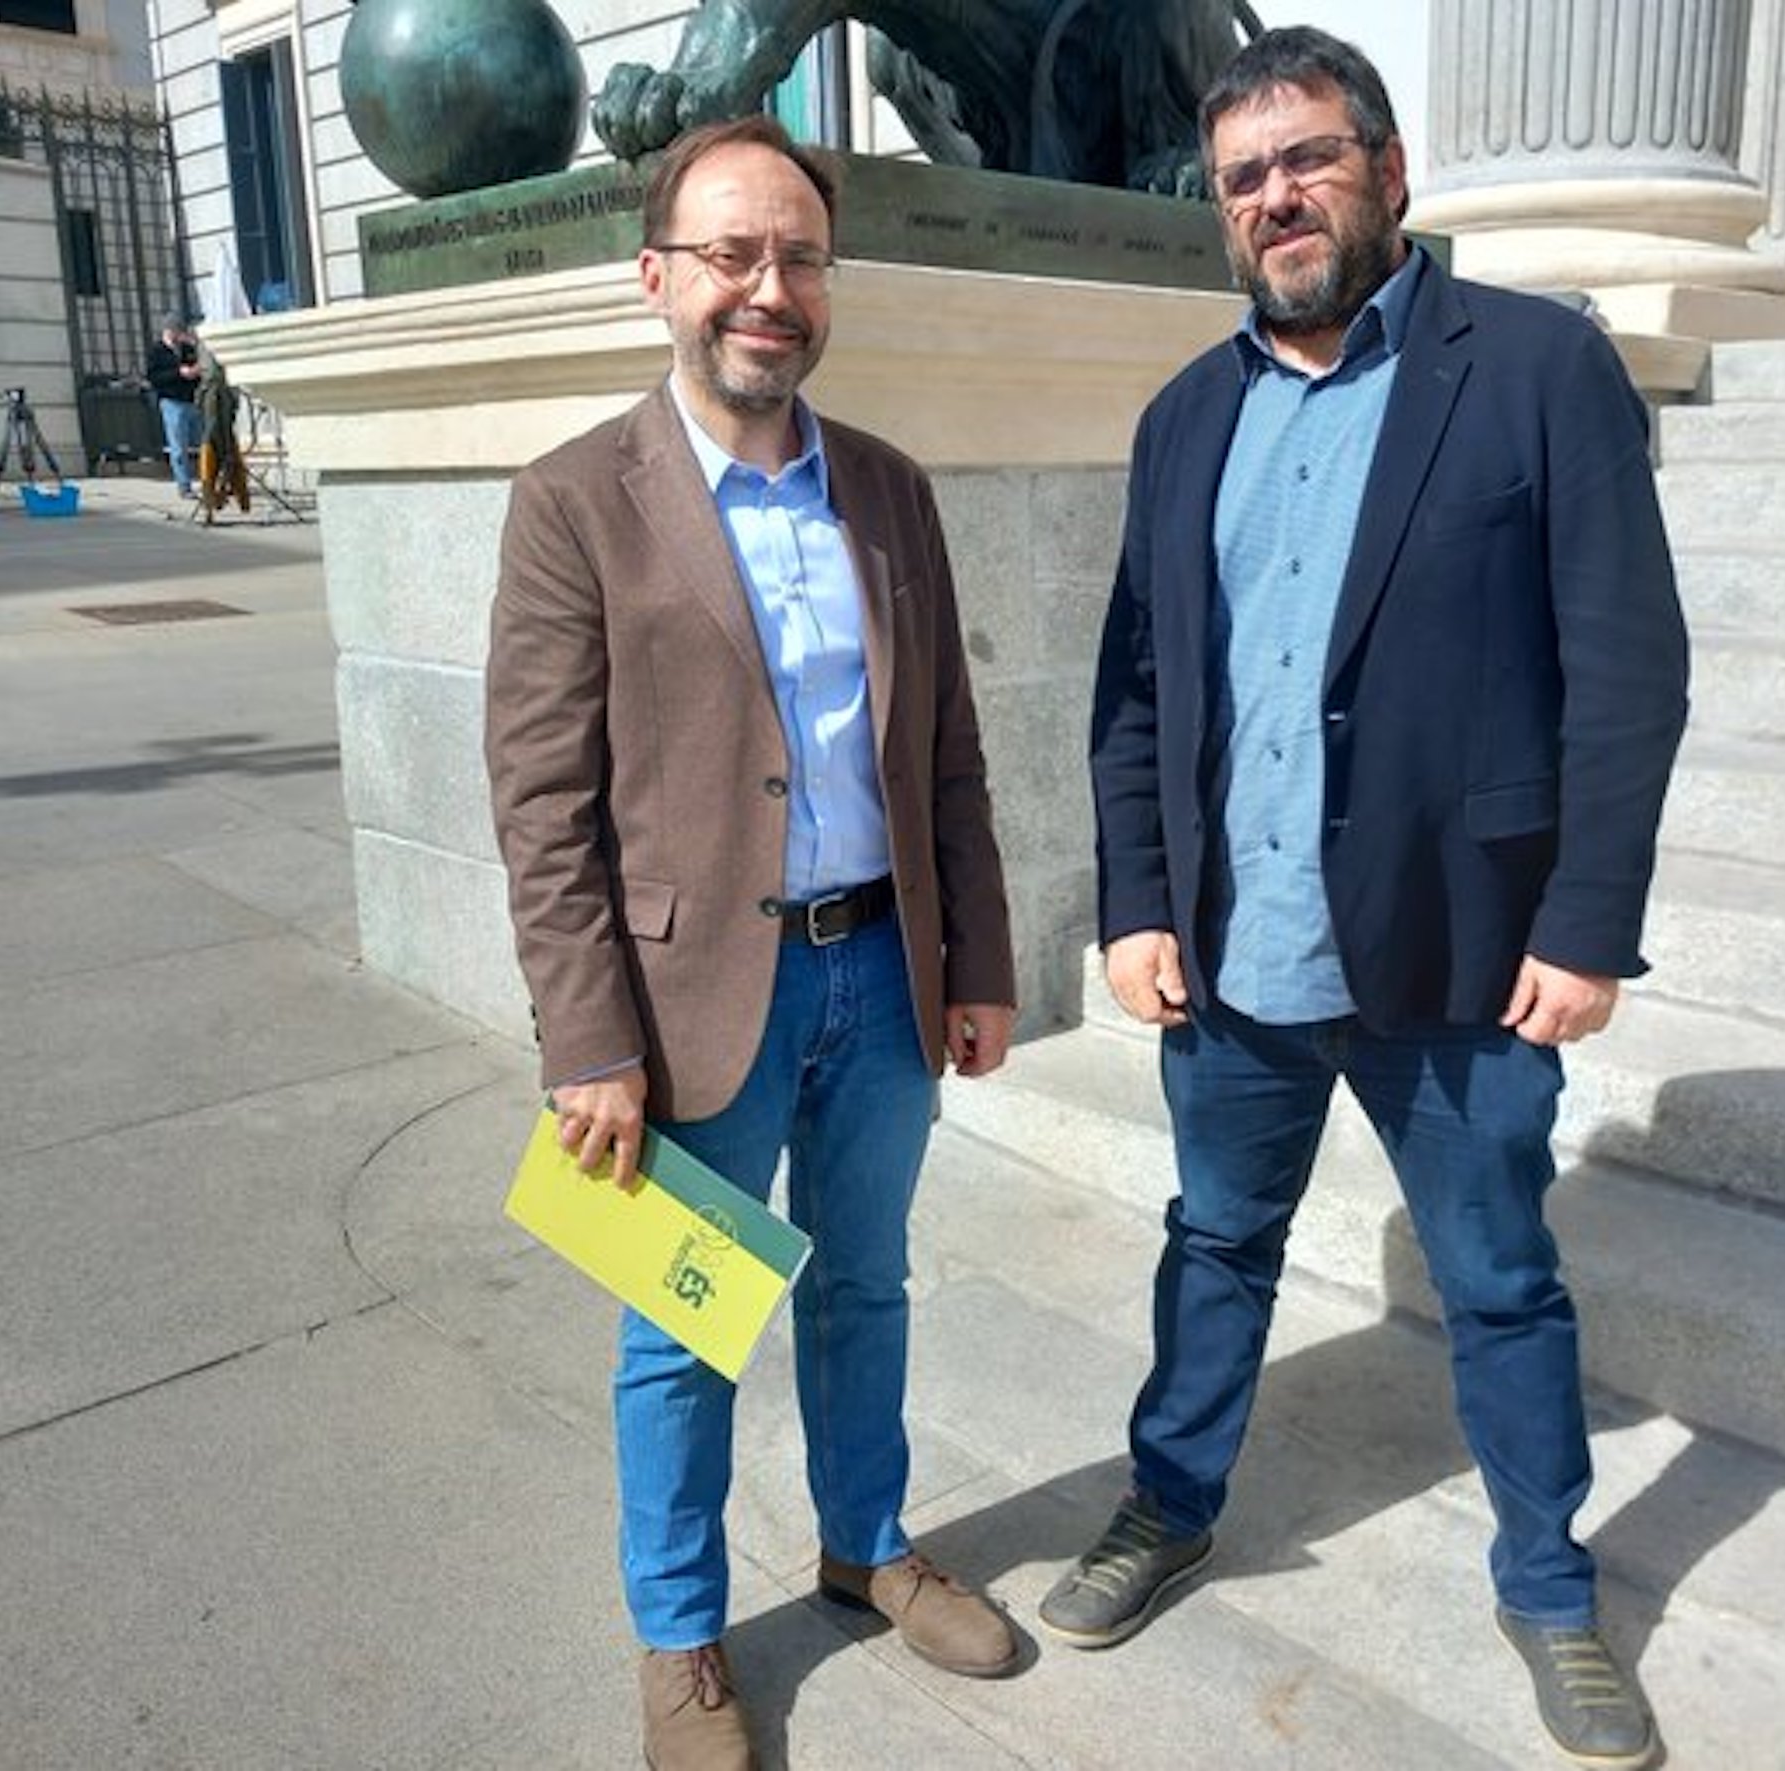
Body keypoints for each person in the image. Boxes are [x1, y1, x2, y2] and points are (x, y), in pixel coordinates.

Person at [1050, 26, 1689, 1771]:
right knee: (1214, 1247)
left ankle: (1551, 1586)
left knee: (1498, 1283)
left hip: (1463, 954)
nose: (1277, 199)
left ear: (1388, 172)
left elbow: (1628, 669)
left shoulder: (1539, 370)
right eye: (1245, 177)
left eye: (1309, 160)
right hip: (1236, 953)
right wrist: (1133, 901)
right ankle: (1170, 1501)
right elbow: (1132, 692)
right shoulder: (1185, 415)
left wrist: (1583, 923)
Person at [483, 115, 1021, 1771]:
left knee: (868, 1283)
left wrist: (980, 958)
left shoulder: (892, 492)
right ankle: (682, 1636)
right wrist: (586, 1041)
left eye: (794, 255)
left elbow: (945, 754)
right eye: (730, 254)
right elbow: (540, 799)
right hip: (683, 1000)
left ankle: (864, 1542)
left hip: (880, 976)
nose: (765, 288)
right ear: (659, 280)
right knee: (686, 1331)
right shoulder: (577, 501)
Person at [144, 312, 201, 497]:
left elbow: (197, 367)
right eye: (178, 331)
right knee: (178, 446)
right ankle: (184, 485)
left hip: (191, 400)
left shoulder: (187, 349)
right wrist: (178, 373)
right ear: (169, 331)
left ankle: (208, 479)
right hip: (171, 401)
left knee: (203, 441)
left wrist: (194, 371)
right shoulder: (157, 352)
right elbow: (154, 378)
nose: (180, 336)